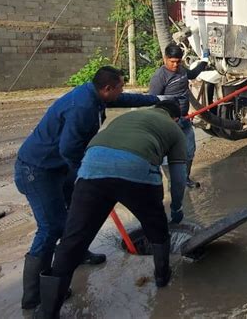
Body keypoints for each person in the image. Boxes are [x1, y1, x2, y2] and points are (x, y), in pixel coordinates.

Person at [14, 66, 159, 310]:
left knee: (77, 211)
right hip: (37, 170)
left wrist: (154, 99)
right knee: (51, 227)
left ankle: (77, 252)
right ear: (107, 88)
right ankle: (34, 295)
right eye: (120, 86)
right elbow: (68, 149)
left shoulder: (94, 94)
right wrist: (89, 171)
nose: (122, 91)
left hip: (57, 167)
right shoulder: (82, 108)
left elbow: (122, 99)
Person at [34, 100, 187, 318]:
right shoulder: (174, 129)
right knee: (157, 225)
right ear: (176, 118)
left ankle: (47, 311)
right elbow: (179, 178)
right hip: (136, 170)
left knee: (73, 239)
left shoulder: (129, 117)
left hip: (91, 168)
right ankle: (162, 276)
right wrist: (178, 207)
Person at [149, 43, 209, 188]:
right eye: (172, 61)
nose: (175, 65)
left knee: (189, 151)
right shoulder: (159, 77)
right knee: (166, 157)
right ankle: (173, 182)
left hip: (184, 119)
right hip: (167, 123)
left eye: (178, 61)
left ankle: (185, 178)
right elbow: (153, 101)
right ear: (165, 59)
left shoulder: (182, 71)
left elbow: (193, 74)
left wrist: (204, 61)